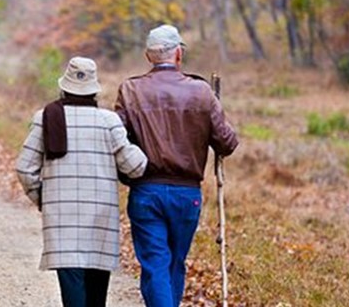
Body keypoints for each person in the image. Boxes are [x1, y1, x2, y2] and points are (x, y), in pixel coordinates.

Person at [114, 25, 239, 306]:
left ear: (148, 56)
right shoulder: (202, 92)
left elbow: (115, 139)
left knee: (156, 265)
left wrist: (126, 170)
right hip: (187, 196)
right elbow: (227, 143)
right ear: (179, 54)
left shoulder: (130, 90)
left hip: (146, 192)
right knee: (174, 264)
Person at [16, 56, 149, 307]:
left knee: (72, 293)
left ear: (63, 86)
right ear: (94, 89)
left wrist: (43, 199)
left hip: (62, 221)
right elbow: (136, 166)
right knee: (96, 295)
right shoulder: (109, 122)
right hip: (100, 220)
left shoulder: (45, 117)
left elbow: (25, 168)